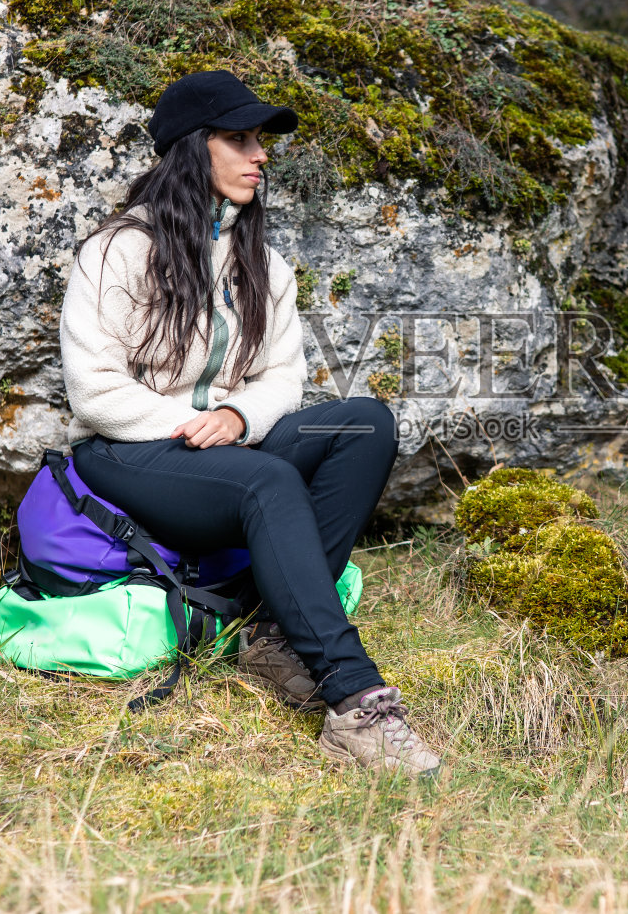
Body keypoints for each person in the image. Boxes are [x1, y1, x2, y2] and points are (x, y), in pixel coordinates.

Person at [59, 69, 441, 777]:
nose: (259, 154)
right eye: (239, 139)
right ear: (189, 149)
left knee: (366, 422)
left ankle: (270, 636)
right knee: (266, 480)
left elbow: (281, 377)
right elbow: (94, 390)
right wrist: (190, 423)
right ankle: (356, 700)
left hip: (225, 452)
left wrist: (237, 413)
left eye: (260, 140)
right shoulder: (115, 250)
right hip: (126, 453)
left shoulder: (263, 264)